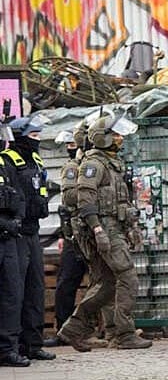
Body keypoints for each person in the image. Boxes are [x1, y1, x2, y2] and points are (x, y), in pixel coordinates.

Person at [57, 115, 152, 351]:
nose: (120, 139)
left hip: (114, 227)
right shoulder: (93, 165)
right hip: (104, 228)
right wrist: (98, 230)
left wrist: (131, 228)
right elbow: (84, 199)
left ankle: (73, 329)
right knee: (127, 277)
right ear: (104, 138)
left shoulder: (111, 163)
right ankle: (125, 333)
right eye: (116, 135)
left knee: (108, 284)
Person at [1, 116, 56, 361]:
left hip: (33, 231)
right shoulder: (6, 160)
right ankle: (10, 347)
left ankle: (32, 344)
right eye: (33, 135)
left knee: (35, 288)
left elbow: (40, 186)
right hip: (15, 233)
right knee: (14, 291)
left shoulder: (35, 158)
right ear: (20, 136)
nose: (38, 140)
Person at [51, 125, 110, 349]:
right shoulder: (74, 167)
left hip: (97, 230)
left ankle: (106, 329)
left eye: (73, 144)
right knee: (68, 282)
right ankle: (64, 331)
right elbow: (68, 202)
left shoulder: (99, 163)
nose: (71, 148)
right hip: (76, 234)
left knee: (102, 280)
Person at [0, 122, 29, 366]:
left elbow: (19, 196)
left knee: (11, 293)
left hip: (8, 239)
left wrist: (16, 219)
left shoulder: (5, 163)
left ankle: (7, 349)